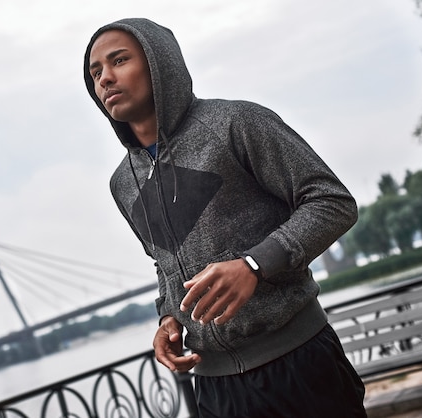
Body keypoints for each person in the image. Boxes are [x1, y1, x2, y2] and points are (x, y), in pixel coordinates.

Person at [84, 18, 367, 418]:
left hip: (298, 364)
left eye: (119, 61)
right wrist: (168, 315)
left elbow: (332, 202)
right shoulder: (123, 184)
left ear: (158, 63)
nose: (106, 78)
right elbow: (164, 262)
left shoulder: (236, 124)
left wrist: (254, 265)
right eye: (96, 73)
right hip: (215, 390)